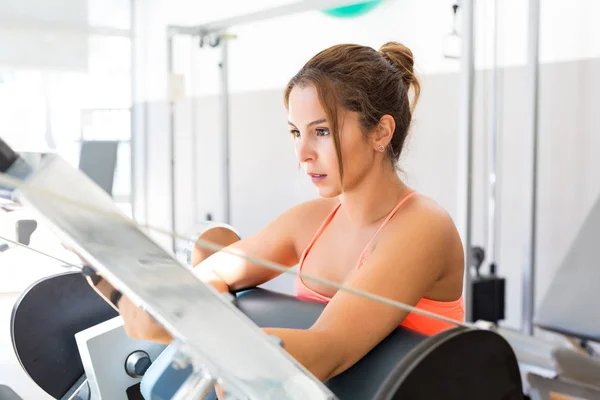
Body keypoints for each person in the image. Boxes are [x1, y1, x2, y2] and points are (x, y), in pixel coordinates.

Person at [108, 41, 465, 385]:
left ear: (381, 132)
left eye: (321, 131)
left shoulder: (423, 227)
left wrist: (185, 325)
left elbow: (329, 351)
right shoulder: (311, 220)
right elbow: (218, 267)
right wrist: (197, 296)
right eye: (296, 132)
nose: (303, 153)